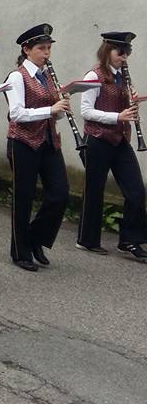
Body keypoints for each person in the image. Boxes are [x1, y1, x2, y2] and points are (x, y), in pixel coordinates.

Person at [3, 24, 70, 271]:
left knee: (60, 194)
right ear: (27, 49)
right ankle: (20, 252)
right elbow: (16, 113)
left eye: (49, 48)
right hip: (22, 143)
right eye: (42, 48)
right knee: (24, 197)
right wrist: (50, 109)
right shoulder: (16, 76)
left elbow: (52, 114)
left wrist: (61, 109)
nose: (47, 53)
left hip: (49, 141)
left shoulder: (48, 76)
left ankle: (36, 238)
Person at [77, 31, 147, 260]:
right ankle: (87, 240)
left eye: (128, 52)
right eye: (121, 52)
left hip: (120, 139)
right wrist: (118, 117)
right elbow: (86, 111)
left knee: (136, 190)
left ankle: (129, 240)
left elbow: (123, 106)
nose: (124, 57)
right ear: (108, 50)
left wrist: (132, 102)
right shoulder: (93, 75)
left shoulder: (123, 76)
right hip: (97, 139)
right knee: (95, 190)